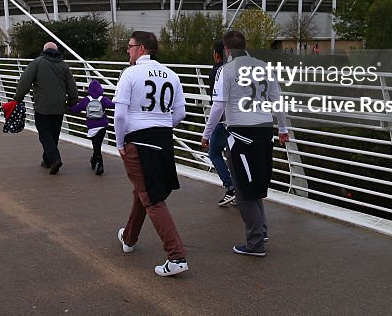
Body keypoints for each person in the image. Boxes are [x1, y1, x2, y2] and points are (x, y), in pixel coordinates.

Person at [201, 30, 290, 258]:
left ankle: (255, 243)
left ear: (227, 49)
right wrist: (282, 128)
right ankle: (261, 231)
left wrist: (207, 133)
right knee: (257, 184)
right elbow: (277, 100)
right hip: (264, 131)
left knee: (243, 189)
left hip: (241, 135)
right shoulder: (263, 66)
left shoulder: (226, 70)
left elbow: (218, 106)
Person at [114, 31, 189, 278]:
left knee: (152, 198)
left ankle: (176, 256)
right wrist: (161, 125)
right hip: (164, 139)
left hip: (139, 141)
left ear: (142, 49)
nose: (128, 51)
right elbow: (179, 113)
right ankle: (129, 237)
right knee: (142, 190)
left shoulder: (131, 73)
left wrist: (120, 141)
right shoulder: (172, 74)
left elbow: (121, 114)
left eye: (130, 46)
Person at [13, 41, 78, 174]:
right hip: (59, 107)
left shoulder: (37, 63)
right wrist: (72, 102)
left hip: (42, 106)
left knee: (45, 134)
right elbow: (72, 87)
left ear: (44, 50)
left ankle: (55, 159)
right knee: (54, 135)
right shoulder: (64, 65)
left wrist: (17, 98)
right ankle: (47, 160)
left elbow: (24, 81)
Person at [205, 40, 235, 205]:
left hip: (223, 120)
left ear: (216, 54)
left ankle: (231, 187)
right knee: (232, 155)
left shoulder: (217, 71)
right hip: (241, 120)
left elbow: (216, 102)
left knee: (214, 153)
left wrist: (206, 133)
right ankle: (239, 189)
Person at [68, 79, 114, 175]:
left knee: (96, 145)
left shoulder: (86, 100)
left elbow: (76, 109)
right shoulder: (103, 99)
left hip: (92, 127)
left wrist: (67, 107)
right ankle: (94, 160)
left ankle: (99, 164)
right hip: (103, 126)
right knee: (98, 145)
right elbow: (112, 105)